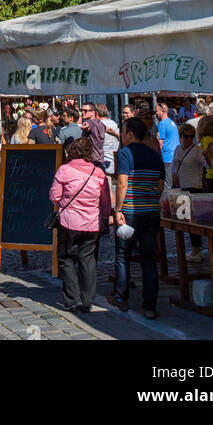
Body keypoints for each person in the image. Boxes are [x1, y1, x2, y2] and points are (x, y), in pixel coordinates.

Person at [110, 116, 166, 319]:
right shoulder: (155, 155)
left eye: (123, 131)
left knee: (123, 255)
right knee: (149, 259)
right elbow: (160, 184)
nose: (122, 135)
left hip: (131, 212)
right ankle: (149, 305)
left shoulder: (126, 153)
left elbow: (122, 183)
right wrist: (151, 200)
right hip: (151, 212)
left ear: (130, 133)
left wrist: (118, 209)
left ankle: (120, 296)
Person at [49, 136, 112, 312]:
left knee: (67, 259)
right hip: (92, 223)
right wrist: (106, 217)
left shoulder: (64, 170)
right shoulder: (98, 173)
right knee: (88, 259)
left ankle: (73, 298)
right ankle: (87, 300)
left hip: (69, 221)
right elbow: (105, 202)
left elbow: (55, 196)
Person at [171, 123, 206, 262]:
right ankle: (191, 248)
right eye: (186, 136)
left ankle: (197, 249)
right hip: (180, 187)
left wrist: (207, 158)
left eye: (191, 137)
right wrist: (174, 176)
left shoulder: (197, 150)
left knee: (193, 220)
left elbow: (207, 165)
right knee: (182, 219)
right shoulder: (177, 149)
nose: (188, 139)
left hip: (194, 187)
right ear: (180, 136)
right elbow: (174, 166)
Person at [155, 103, 180, 189]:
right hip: (175, 156)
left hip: (167, 157)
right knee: (175, 182)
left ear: (163, 111)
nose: (155, 113)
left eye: (157, 111)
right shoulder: (172, 122)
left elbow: (160, 143)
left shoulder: (162, 124)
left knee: (167, 184)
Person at [80, 103, 106, 168]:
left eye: (85, 111)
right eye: (81, 110)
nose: (83, 112)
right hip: (100, 161)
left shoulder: (90, 122)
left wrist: (84, 127)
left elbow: (88, 125)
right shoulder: (100, 123)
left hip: (92, 163)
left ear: (93, 112)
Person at [97, 105, 121, 176]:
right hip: (114, 162)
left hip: (103, 164)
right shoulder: (114, 124)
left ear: (97, 113)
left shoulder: (98, 125)